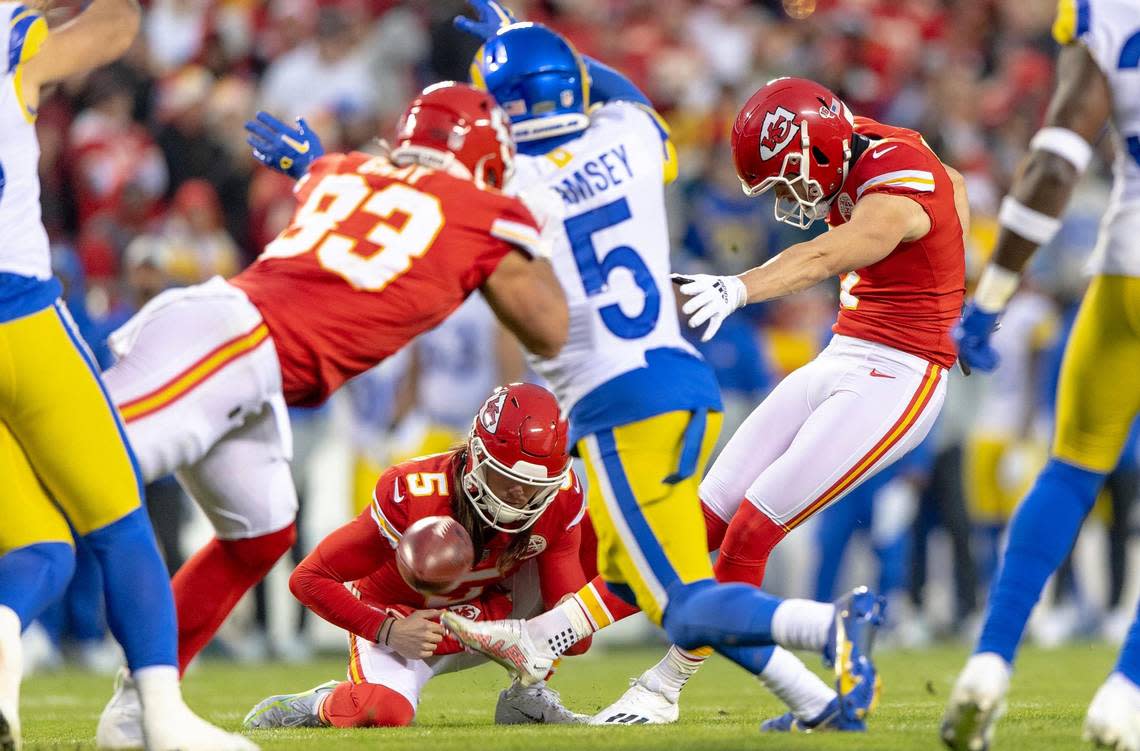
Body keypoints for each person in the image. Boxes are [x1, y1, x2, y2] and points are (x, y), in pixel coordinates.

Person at [469, 67, 972, 728]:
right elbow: (957, 186)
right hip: (848, 351)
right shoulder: (864, 140)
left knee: (754, 530)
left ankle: (666, 686)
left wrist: (739, 287)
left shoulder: (896, 179)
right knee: (700, 516)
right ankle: (549, 633)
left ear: (817, 147)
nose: (787, 196)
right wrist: (963, 284)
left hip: (903, 374)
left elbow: (836, 250)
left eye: (788, 177)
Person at [95, 82, 569, 747]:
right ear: (488, 157)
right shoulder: (484, 208)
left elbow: (338, 182)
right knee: (82, 477)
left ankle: (143, 703)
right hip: (233, 341)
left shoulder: (347, 170)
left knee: (260, 533)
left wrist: (314, 163)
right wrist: (536, 222)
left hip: (249, 359)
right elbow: (549, 330)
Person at [0, 2, 254, 750]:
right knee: (120, 525)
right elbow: (114, 27)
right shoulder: (11, 39)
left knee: (40, 550)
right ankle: (162, 719)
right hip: (19, 320)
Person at [942, 1, 1140, 748]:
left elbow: (1056, 162)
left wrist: (989, 296)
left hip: (1122, 273)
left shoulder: (1110, 12)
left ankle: (988, 663)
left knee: (1069, 469)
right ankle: (1125, 693)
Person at [243, 383, 591, 729]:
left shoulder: (562, 496)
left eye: (534, 486)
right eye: (504, 477)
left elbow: (577, 640)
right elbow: (307, 578)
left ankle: (527, 696)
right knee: (379, 712)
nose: (519, 495)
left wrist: (546, 633)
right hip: (407, 620)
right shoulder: (411, 492)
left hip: (490, 616)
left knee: (598, 535)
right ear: (476, 454)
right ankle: (318, 702)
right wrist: (387, 629)